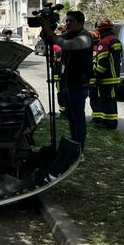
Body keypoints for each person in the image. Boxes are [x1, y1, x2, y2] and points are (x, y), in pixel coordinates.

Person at [41, 10, 93, 149]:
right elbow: (50, 40)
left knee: (78, 118)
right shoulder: (70, 35)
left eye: (71, 21)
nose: (68, 23)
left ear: (81, 23)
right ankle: (74, 144)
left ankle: (79, 147)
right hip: (67, 83)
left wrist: (50, 32)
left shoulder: (85, 37)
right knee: (71, 118)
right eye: (67, 20)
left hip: (78, 84)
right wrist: (47, 30)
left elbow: (66, 44)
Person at [91, 18, 122, 129]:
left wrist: (96, 74)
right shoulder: (115, 40)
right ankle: (109, 122)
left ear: (100, 30)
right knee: (110, 100)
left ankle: (110, 124)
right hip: (113, 76)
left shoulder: (104, 42)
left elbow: (102, 62)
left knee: (107, 101)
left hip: (106, 78)